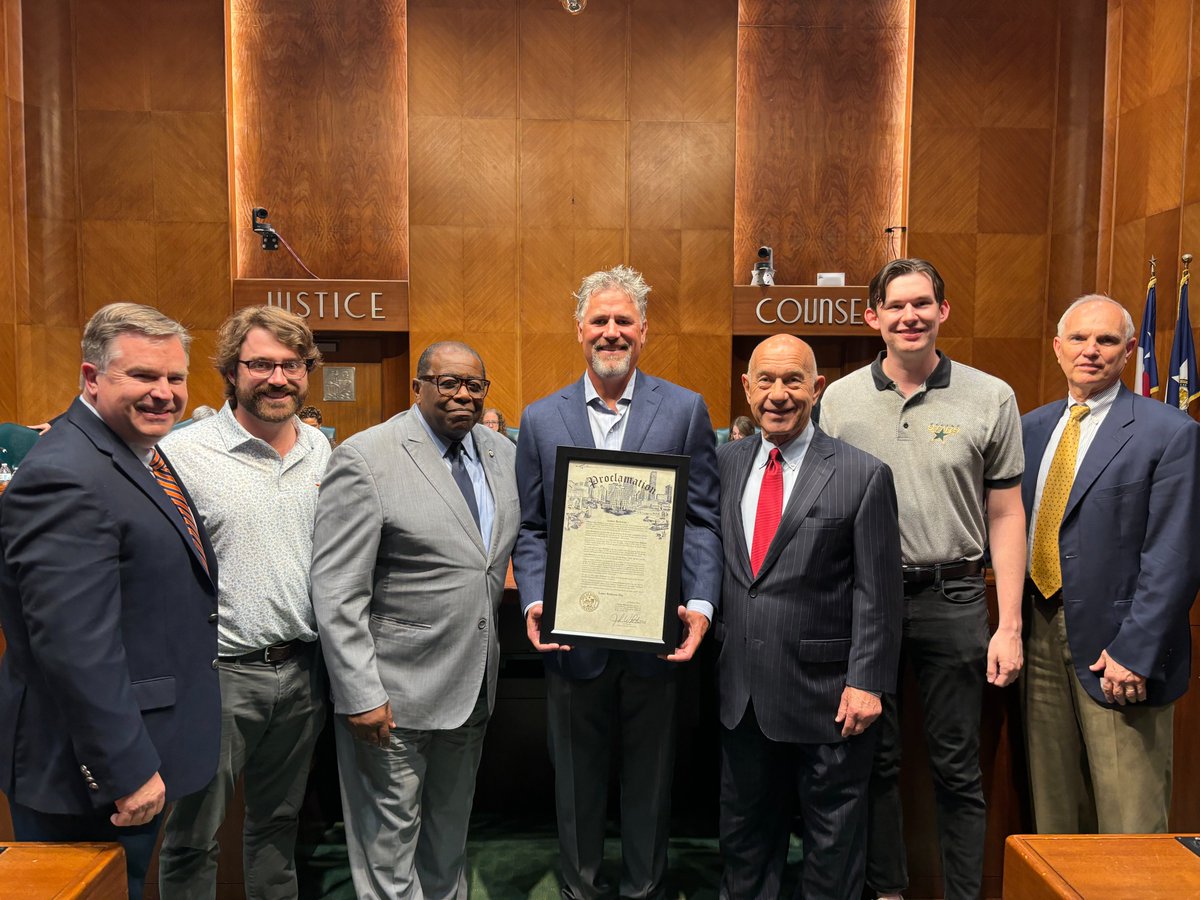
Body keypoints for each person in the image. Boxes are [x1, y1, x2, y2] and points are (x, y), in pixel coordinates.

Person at [818, 258, 1025, 900]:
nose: (910, 316)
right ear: (872, 317)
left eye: (922, 304)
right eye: (896, 306)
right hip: (863, 604)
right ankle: (887, 891)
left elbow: (1006, 511)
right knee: (874, 763)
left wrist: (1009, 625)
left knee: (958, 769)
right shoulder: (839, 401)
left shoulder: (991, 397)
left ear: (943, 312)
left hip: (955, 595)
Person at [513, 265, 722, 900]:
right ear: (580, 330)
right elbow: (531, 528)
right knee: (574, 784)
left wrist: (702, 602)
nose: (611, 332)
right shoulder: (541, 417)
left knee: (650, 783)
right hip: (573, 639)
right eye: (599, 321)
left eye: (623, 321)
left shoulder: (684, 410)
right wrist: (535, 597)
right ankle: (579, 890)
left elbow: (704, 519)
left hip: (654, 635)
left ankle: (643, 890)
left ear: (644, 331)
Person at [0, 302, 219, 900]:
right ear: (91, 379)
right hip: (89, 776)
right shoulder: (65, 475)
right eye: (143, 376)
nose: (164, 393)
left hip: (130, 753)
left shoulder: (129, 451)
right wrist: (125, 770)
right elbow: (73, 648)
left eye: (174, 378)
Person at [311, 341, 519, 899]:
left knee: (449, 842)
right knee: (388, 851)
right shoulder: (366, 457)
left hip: (472, 688)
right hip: (391, 697)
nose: (463, 395)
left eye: (474, 385)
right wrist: (359, 692)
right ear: (418, 386)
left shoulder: (503, 456)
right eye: (447, 382)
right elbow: (336, 589)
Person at [717, 334, 902, 899]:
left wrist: (867, 683)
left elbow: (879, 592)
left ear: (816, 388)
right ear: (746, 389)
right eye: (766, 381)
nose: (779, 394)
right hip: (740, 696)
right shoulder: (721, 465)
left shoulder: (862, 474)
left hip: (829, 699)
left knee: (832, 849)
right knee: (744, 843)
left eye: (793, 380)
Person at [157, 306, 331, 899]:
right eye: (260, 364)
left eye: (291, 365)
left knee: (279, 825)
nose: (277, 378)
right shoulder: (182, 455)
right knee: (192, 836)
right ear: (232, 371)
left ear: (307, 372)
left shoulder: (324, 453)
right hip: (219, 677)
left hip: (304, 674)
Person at [1020, 294, 1200, 834]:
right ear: (1057, 348)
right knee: (1054, 814)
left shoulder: (1169, 432)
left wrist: (1136, 653)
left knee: (1130, 822)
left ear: (1127, 353)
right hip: (1040, 634)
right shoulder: (1031, 429)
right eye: (1078, 339)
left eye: (1106, 341)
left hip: (1119, 652)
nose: (1090, 351)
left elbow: (1176, 554)